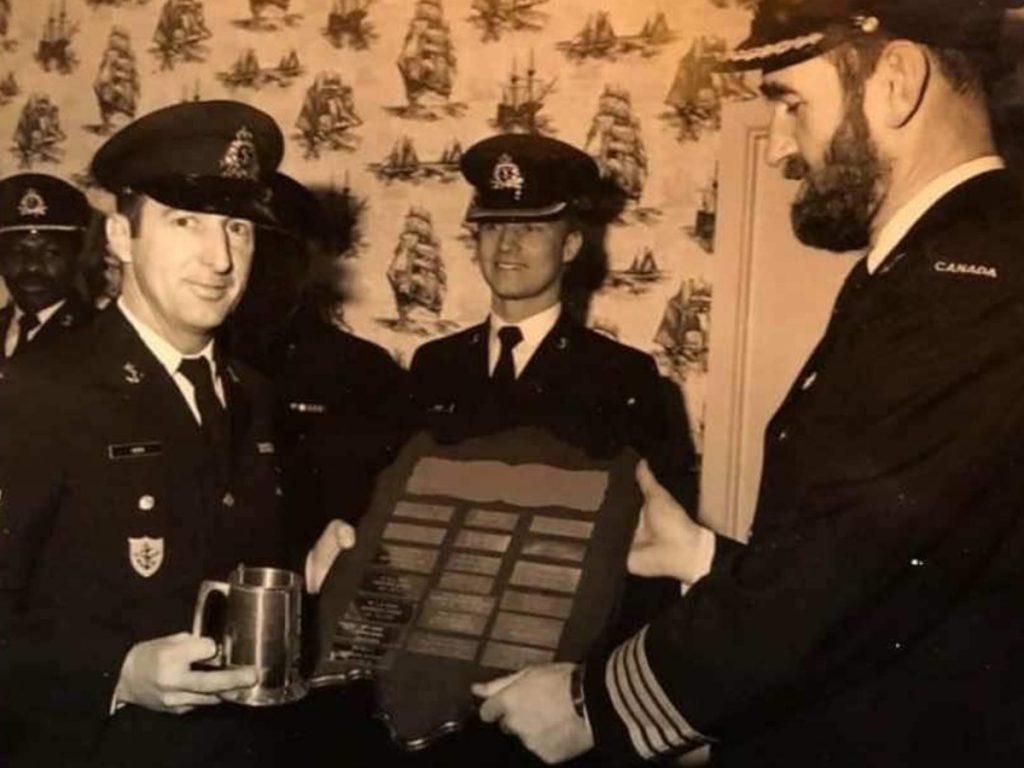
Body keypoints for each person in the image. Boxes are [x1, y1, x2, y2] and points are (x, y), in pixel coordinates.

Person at [473, 1, 1024, 766]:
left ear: (896, 80)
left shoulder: (971, 280)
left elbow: (844, 571)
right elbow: (889, 570)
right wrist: (702, 555)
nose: (778, 150)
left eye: (793, 102)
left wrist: (593, 703)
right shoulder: (933, 263)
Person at [0, 100, 353, 768]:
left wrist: (304, 582)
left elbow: (212, 567)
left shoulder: (250, 391)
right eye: (184, 221)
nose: (219, 258)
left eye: (238, 228)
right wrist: (118, 674)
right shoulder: (37, 391)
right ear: (119, 239)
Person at [409, 132, 696, 504]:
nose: (507, 245)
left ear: (570, 246)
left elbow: (658, 522)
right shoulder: (435, 363)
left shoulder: (623, 376)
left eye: (530, 228)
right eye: (493, 226)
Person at [226, 172, 411, 555]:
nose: (248, 268)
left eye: (271, 255)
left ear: (305, 263)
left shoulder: (362, 372)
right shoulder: (183, 360)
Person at [0, 173, 94, 360]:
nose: (32, 266)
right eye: (17, 252)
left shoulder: (101, 335)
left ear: (76, 256)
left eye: (51, 252)